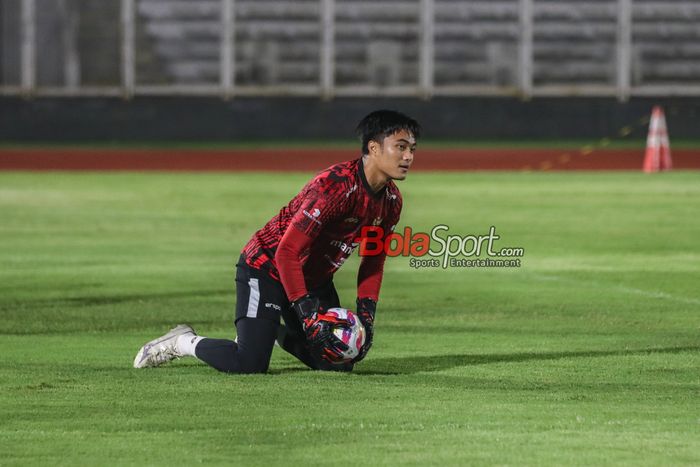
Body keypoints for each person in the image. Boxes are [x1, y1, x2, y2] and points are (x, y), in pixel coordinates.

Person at [133, 110, 421, 373]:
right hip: (267, 268)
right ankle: (183, 341)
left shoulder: (391, 201)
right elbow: (287, 252)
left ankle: (270, 332)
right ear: (373, 147)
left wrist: (367, 318)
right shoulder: (335, 187)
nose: (408, 156)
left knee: (337, 363)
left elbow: (373, 263)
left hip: (312, 281)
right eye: (401, 147)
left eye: (412, 149)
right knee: (248, 365)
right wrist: (307, 315)